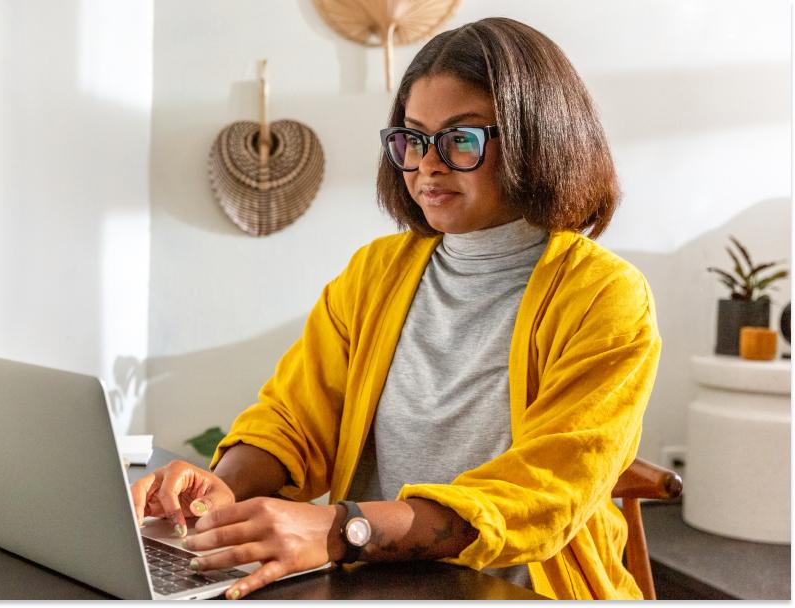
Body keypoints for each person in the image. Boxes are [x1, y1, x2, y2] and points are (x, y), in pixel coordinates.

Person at [131, 16, 660, 600]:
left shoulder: (606, 296)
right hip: (373, 586)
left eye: (460, 138)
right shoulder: (374, 273)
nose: (426, 165)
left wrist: (343, 529)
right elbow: (293, 418)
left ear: (538, 140)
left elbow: (542, 493)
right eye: (413, 138)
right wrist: (219, 489)